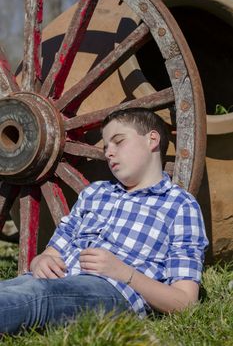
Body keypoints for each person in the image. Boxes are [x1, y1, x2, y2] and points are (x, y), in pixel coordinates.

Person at [0, 108, 208, 334]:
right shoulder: (95, 193)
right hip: (53, 279)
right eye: (106, 147)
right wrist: (41, 261)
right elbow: (55, 250)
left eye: (118, 141)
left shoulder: (179, 205)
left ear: (152, 140)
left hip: (111, 290)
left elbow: (185, 301)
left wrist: (123, 272)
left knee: (38, 298)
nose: (109, 153)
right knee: (18, 289)